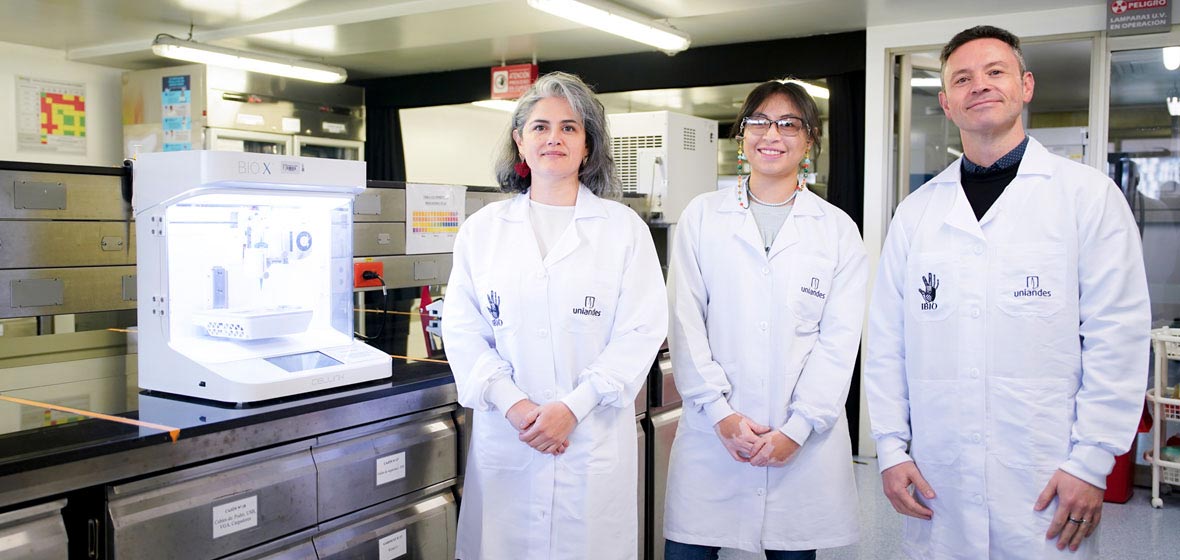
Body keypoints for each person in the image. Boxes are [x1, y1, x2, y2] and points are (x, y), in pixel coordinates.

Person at [865, 25, 1151, 559]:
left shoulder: (1087, 198)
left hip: (1045, 477)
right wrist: (889, 449)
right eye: (962, 78)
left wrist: (1091, 462)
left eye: (995, 72)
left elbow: (1118, 338)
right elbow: (887, 343)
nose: (980, 85)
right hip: (938, 478)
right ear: (946, 103)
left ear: (1025, 85)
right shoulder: (917, 212)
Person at [442, 71, 667, 560]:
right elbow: (462, 331)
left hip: (589, 439)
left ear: (588, 146)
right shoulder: (482, 232)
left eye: (569, 127)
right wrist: (516, 406)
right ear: (519, 141)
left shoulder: (623, 230)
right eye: (540, 127)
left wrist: (573, 407)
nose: (554, 138)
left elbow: (641, 331)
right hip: (510, 436)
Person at [663, 80, 866, 559]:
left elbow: (839, 344)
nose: (771, 134)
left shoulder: (837, 230)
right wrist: (721, 415)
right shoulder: (701, 217)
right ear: (741, 134)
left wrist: (798, 429)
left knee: (791, 550)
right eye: (758, 121)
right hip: (713, 437)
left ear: (810, 139)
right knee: (690, 549)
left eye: (789, 123)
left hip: (801, 445)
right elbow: (686, 323)